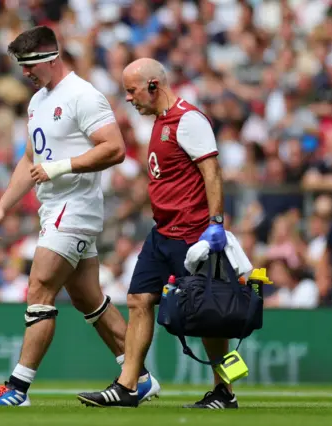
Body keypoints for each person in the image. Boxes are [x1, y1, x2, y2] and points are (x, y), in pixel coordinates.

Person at [0, 26, 160, 407]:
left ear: (51, 58)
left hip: (75, 208)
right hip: (53, 208)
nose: (24, 73)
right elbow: (30, 159)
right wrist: (3, 206)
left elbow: (115, 148)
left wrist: (60, 168)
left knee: (39, 287)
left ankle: (17, 389)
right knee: (89, 299)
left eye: (30, 65)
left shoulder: (83, 96)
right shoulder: (39, 100)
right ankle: (138, 377)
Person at [77, 58, 235, 408]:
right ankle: (128, 385)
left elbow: (212, 172)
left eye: (132, 91)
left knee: (207, 315)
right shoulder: (160, 121)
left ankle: (224, 390)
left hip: (192, 234)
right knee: (138, 299)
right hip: (162, 231)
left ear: (153, 86)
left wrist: (216, 224)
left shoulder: (188, 120)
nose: (129, 99)